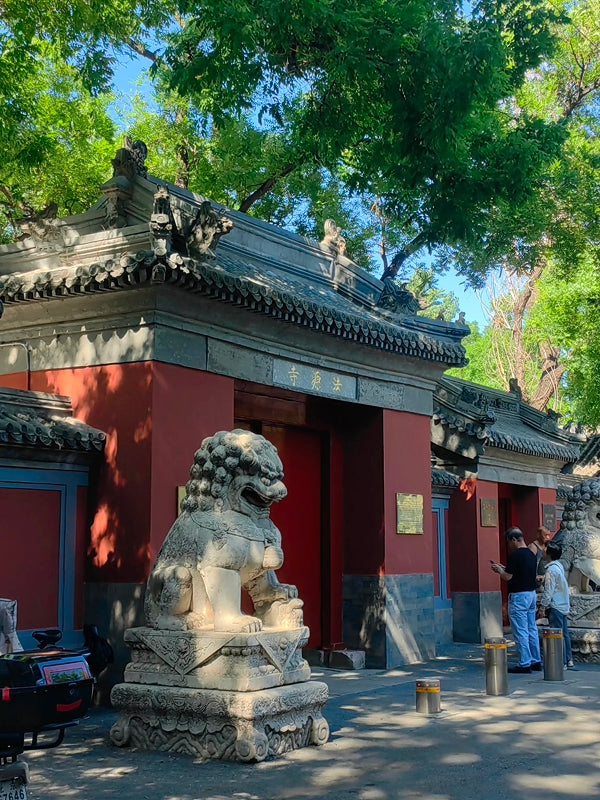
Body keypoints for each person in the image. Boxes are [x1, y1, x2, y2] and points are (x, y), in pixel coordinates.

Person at [491, 527, 541, 673]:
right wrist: (504, 568)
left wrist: (500, 571)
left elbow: (508, 576)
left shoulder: (515, 555)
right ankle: (535, 660)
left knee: (520, 630)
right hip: (531, 594)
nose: (509, 545)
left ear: (514, 539)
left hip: (519, 596)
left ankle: (524, 663)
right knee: (531, 628)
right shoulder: (532, 554)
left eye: (509, 542)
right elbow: (520, 571)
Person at [540, 541, 574, 668]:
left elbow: (549, 590)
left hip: (555, 606)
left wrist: (543, 606)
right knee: (564, 633)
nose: (542, 550)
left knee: (557, 634)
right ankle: (569, 659)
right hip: (563, 604)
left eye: (544, 548)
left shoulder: (551, 570)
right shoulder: (558, 566)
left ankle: (562, 662)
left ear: (549, 553)